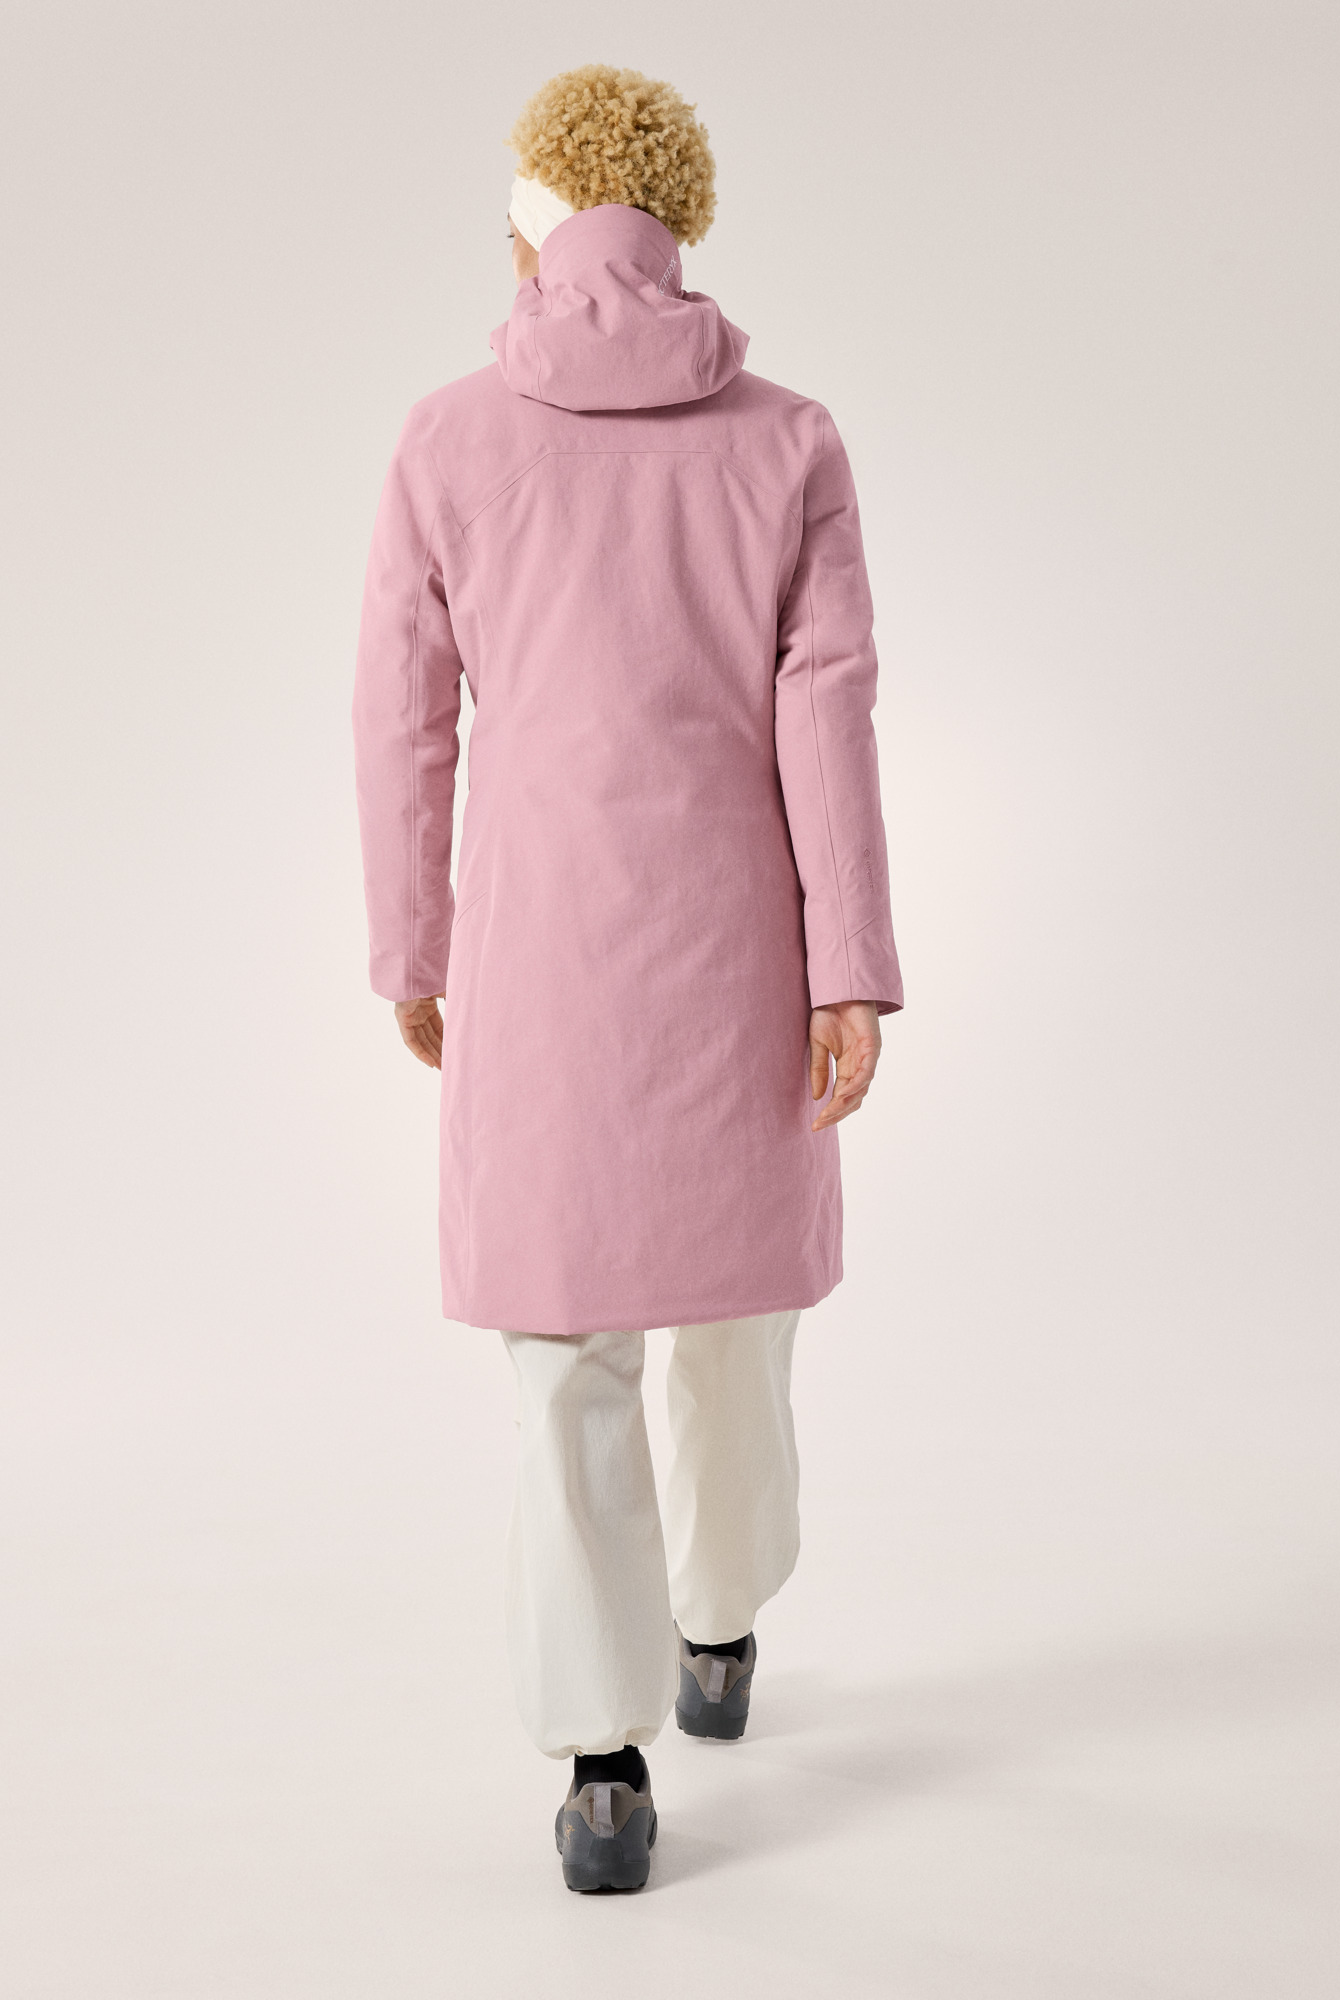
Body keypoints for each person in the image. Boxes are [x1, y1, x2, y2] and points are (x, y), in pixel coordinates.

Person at [351, 64, 903, 1891]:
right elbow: (828, 714)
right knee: (736, 1316)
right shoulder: (789, 441)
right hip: (742, 945)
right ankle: (720, 1621)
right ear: (679, 226)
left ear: (530, 225)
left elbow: (404, 718)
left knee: (566, 1350)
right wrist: (850, 967)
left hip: (540, 951)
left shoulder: (447, 439)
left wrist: (411, 943)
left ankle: (603, 1765)